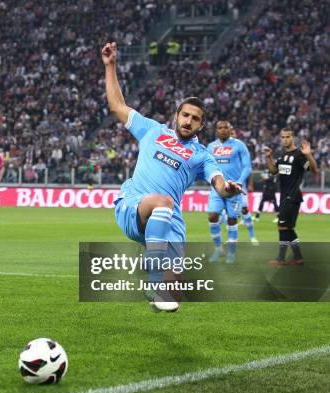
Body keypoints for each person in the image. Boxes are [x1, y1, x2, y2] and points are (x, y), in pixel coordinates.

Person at [102, 42, 242, 312]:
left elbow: (219, 184)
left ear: (202, 125)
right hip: (135, 204)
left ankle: (156, 283)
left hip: (170, 221)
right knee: (163, 202)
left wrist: (229, 189)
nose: (189, 121)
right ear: (176, 115)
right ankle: (153, 276)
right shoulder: (153, 130)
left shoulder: (202, 155)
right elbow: (116, 104)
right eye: (185, 115)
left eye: (195, 119)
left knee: (172, 299)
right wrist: (111, 66)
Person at [264, 128, 318, 266]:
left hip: (292, 196)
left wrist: (309, 155)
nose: (285, 139)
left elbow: (314, 170)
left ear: (293, 137)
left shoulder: (299, 155)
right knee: (288, 227)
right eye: (283, 137)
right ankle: (298, 258)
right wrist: (268, 157)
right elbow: (273, 171)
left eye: (288, 137)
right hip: (284, 196)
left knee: (282, 226)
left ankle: (281, 258)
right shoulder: (282, 155)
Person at [206, 120, 253, 263]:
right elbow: (207, 166)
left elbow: (247, 167)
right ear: (216, 130)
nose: (223, 130)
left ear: (230, 129)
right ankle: (218, 249)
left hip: (235, 189)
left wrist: (239, 182)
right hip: (217, 189)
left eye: (225, 127)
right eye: (219, 128)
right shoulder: (211, 147)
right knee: (213, 216)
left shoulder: (239, 145)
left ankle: (231, 253)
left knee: (232, 220)